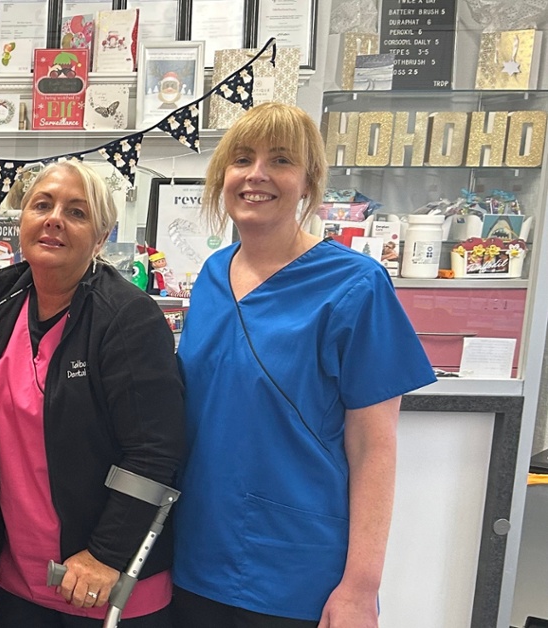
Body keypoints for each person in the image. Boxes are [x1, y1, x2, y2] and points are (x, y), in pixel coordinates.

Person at [172, 102, 435, 628]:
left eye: (281, 160)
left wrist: (361, 587)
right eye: (242, 159)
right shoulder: (213, 275)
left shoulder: (356, 285)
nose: (257, 174)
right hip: (195, 556)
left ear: (309, 181)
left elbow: (374, 448)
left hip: (295, 571)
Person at [0, 160, 185, 627]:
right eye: (42, 205)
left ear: (101, 237)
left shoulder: (127, 317)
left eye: (76, 212)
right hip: (15, 579)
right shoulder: (1, 301)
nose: (54, 219)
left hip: (106, 584)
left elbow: (154, 451)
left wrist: (105, 555)